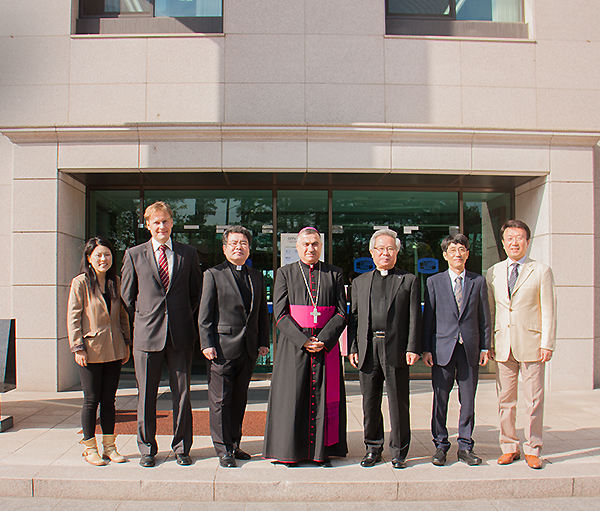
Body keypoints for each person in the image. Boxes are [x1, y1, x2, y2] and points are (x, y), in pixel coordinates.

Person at [121, 201, 202, 467]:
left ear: (171, 223)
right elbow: (127, 297)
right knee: (146, 394)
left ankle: (181, 447)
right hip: (146, 335)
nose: (161, 226)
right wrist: (146, 318)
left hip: (180, 333)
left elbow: (196, 294)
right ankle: (147, 449)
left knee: (182, 394)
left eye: (165, 221)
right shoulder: (134, 254)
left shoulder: (188, 254)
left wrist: (178, 316)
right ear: (148, 226)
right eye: (156, 222)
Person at [263, 227, 347, 467]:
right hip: (295, 346)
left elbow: (342, 312)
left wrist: (325, 338)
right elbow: (279, 314)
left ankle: (322, 453)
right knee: (294, 398)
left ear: (321, 246)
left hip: (325, 347)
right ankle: (291, 452)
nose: (311, 248)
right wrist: (303, 340)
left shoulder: (334, 274)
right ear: (297, 247)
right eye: (306, 244)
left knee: (323, 398)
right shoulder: (285, 273)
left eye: (315, 244)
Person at [348, 229, 421, 469]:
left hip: (397, 349)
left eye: (390, 249)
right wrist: (353, 347)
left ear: (397, 252)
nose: (385, 253)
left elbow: (413, 318)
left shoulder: (408, 280)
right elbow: (355, 318)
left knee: (398, 402)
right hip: (368, 347)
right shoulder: (359, 282)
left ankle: (399, 451)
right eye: (380, 249)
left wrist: (413, 347)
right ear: (371, 252)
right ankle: (373, 448)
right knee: (370, 402)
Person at [486, 220, 556, 470]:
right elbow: (491, 311)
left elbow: (548, 310)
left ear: (527, 241)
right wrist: (489, 342)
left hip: (533, 344)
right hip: (503, 345)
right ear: (503, 243)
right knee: (505, 400)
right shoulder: (493, 271)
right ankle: (509, 446)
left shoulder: (541, 271)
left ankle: (533, 448)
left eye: (519, 238)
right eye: (509, 238)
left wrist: (547, 342)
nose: (514, 242)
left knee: (534, 399)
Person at [198, 226, 270, 468]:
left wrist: (263, 341)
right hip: (221, 348)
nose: (239, 247)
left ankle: (235, 443)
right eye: (234, 243)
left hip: (248, 349)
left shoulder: (256, 276)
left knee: (239, 399)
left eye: (244, 243)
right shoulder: (213, 274)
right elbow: (205, 315)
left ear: (249, 248)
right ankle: (223, 449)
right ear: (225, 248)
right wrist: (206, 343)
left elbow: (261, 313)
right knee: (220, 401)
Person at [422, 233, 491, 466]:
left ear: (468, 253)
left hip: (469, 349)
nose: (457, 254)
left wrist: (485, 347)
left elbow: (485, 318)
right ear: (445, 255)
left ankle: (465, 446)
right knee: (440, 400)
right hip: (442, 349)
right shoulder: (434, 282)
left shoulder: (478, 282)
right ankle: (441, 445)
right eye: (453, 250)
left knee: (468, 400)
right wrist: (426, 349)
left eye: (462, 249)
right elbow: (428, 319)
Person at [67, 236, 131, 466]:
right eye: (98, 255)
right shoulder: (81, 282)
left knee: (109, 400)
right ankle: (89, 447)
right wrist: (77, 347)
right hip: (90, 350)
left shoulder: (116, 281)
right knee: (91, 400)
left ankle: (110, 447)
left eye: (107, 254)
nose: (103, 259)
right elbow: (74, 318)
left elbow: (123, 314)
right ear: (89, 258)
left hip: (114, 349)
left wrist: (127, 342)